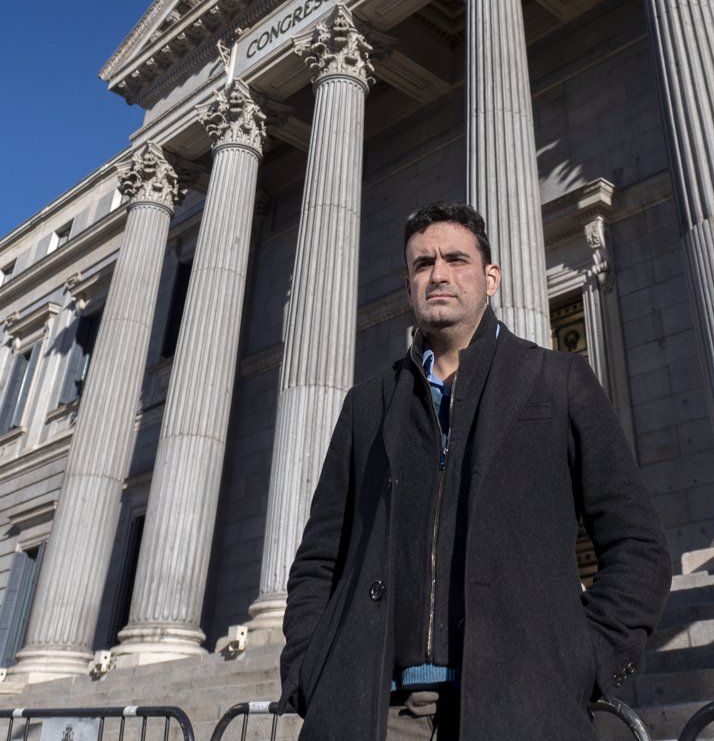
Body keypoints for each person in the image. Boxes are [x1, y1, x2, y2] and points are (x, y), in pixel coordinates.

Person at [280, 201, 670, 741]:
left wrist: (587, 660)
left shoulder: (558, 382)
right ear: (408, 285)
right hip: (377, 712)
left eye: (455, 259)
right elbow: (320, 558)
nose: (437, 274)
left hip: (523, 705)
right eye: (422, 264)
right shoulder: (367, 405)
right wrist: (308, 667)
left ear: (491, 278)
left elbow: (637, 545)